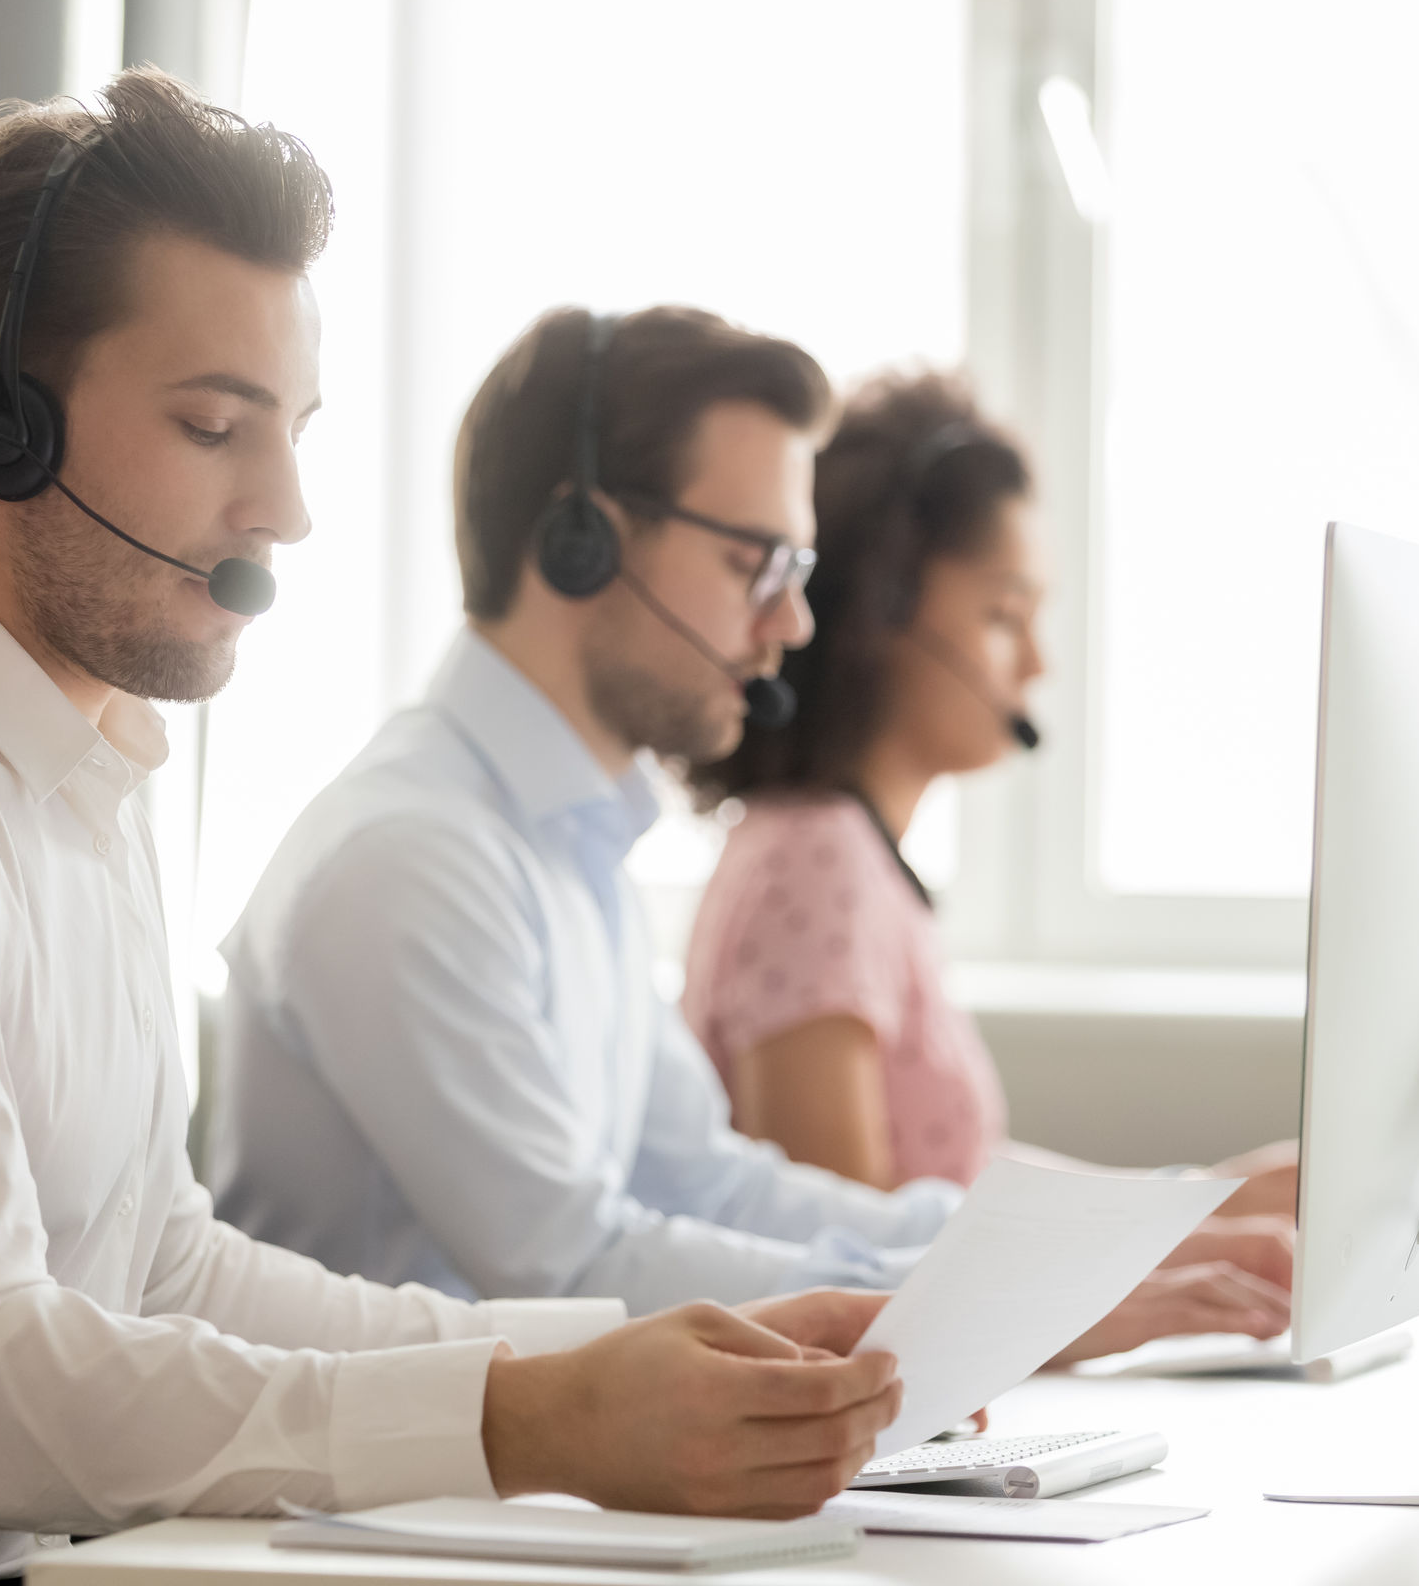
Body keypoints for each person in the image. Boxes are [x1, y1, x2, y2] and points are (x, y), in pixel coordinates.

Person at [0, 77, 909, 1586]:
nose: (285, 508)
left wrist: (629, 1365)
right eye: (216, 426)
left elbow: (165, 1267)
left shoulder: (76, 780)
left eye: (291, 432)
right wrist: (531, 1419)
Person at [211, 309, 1292, 1343]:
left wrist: (1090, 1250)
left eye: (799, 570)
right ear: (579, 538)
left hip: (488, 1501)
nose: (795, 624)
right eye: (752, 564)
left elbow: (711, 1180)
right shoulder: (411, 859)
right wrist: (1010, 1302)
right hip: (369, 1520)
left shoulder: (564, 849)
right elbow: (572, 1266)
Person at [682, 371, 1298, 1210]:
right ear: (882, 612)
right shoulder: (814, 861)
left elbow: (955, 1187)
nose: (1036, 665)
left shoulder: (843, 854)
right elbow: (848, 1259)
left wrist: (1196, 1200)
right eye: (1004, 617)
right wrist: (1194, 1221)